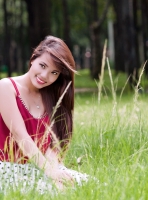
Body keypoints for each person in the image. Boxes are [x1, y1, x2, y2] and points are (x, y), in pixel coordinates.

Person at [0, 36, 89, 194]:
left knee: (86, 183)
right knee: (49, 191)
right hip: (8, 168)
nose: (45, 76)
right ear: (33, 58)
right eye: (42, 65)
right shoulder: (6, 87)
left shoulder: (49, 97)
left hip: (39, 166)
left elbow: (48, 146)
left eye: (54, 72)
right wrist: (51, 173)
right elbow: (21, 136)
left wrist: (56, 173)